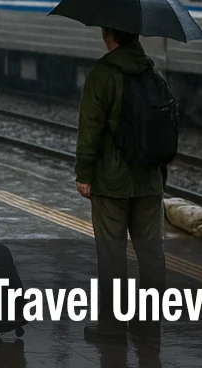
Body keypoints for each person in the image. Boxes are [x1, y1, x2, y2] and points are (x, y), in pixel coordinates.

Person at [74, 27, 169, 347]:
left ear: (108, 34)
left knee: (113, 255)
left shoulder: (102, 74)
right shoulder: (153, 72)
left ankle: (112, 327)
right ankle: (149, 326)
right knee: (152, 255)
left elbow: (90, 129)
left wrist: (84, 173)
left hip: (111, 183)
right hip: (149, 181)